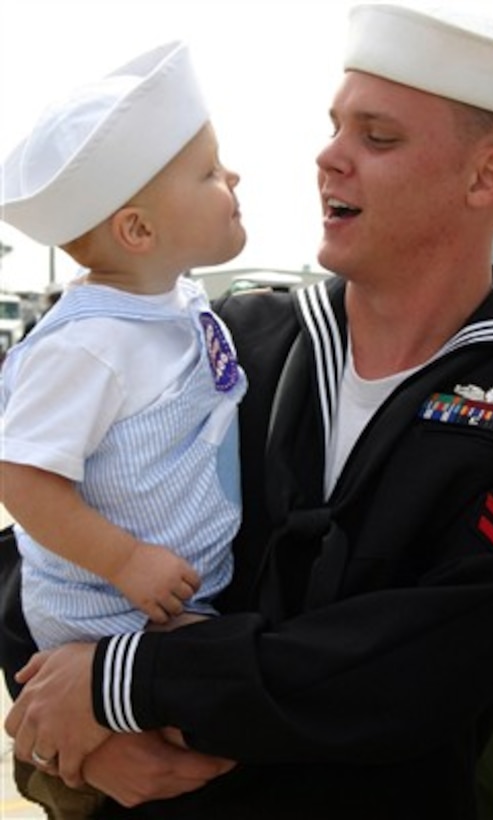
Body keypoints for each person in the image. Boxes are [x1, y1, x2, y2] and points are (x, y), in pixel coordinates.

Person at [3, 4, 493, 818]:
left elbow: (419, 665)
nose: (328, 156)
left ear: (485, 178)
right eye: (334, 125)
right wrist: (92, 741)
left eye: (376, 138)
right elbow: (37, 541)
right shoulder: (230, 342)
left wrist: (125, 682)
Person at [0, 39, 246, 818]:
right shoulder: (87, 344)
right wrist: (128, 560)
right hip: (107, 614)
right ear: (138, 232)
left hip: (162, 612)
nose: (232, 179)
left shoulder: (170, 310)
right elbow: (21, 477)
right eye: (209, 173)